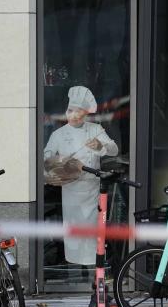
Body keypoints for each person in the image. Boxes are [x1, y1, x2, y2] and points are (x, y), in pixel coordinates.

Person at [43, 86, 118, 265]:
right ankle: (73, 268)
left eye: (79, 112)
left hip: (92, 189)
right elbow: (46, 157)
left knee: (92, 231)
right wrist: (55, 167)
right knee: (73, 231)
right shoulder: (58, 134)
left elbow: (114, 150)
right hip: (70, 189)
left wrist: (100, 146)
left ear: (85, 115)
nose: (74, 115)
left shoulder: (95, 129)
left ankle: (95, 268)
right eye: (71, 111)